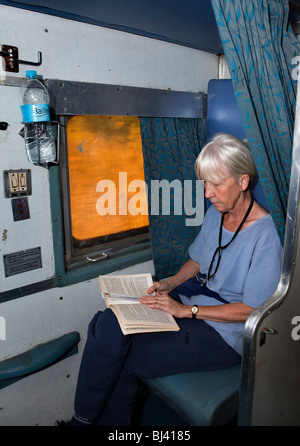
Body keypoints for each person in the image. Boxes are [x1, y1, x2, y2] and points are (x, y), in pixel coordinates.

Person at [69, 133, 283, 426]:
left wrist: (187, 311)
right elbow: (197, 261)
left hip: (223, 331)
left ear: (243, 182)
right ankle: (82, 420)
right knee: (107, 322)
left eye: (216, 184)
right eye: (205, 183)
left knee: (124, 358)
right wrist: (171, 282)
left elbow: (252, 311)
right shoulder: (216, 214)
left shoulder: (266, 236)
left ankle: (82, 423)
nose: (208, 193)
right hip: (192, 296)